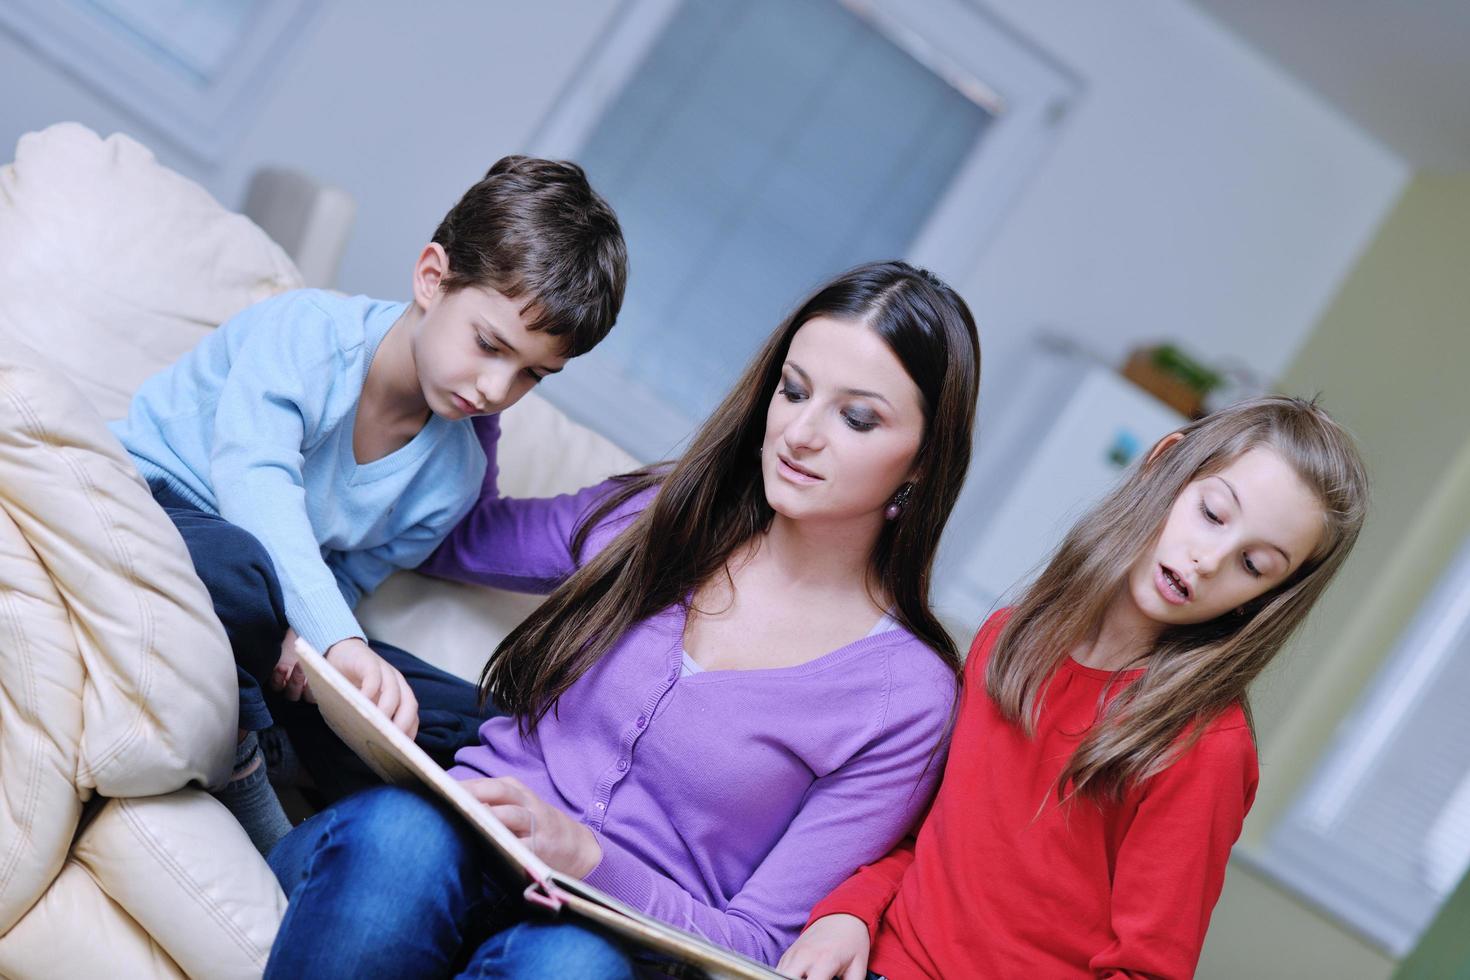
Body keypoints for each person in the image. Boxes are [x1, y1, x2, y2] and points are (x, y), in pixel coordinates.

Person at [263, 260, 982, 978]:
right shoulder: (664, 515)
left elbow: (762, 945)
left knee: (572, 966)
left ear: (923, 461)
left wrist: (590, 861)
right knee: (402, 837)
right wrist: (467, 378)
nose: (800, 433)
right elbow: (450, 530)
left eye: (856, 417)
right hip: (430, 860)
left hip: (606, 950)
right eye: (792, 392)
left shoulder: (906, 696)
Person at [108, 155, 627, 853]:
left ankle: (265, 725)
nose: (498, 388)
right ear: (431, 278)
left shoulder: (455, 471)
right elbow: (254, 489)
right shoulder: (309, 334)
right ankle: (247, 770)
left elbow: (348, 569)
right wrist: (330, 636)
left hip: (272, 617)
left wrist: (320, 649)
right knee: (240, 570)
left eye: (532, 374)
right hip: (157, 511)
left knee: (472, 723)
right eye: (488, 344)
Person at [779, 395, 1370, 979]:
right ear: (1164, 463)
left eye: (1254, 565)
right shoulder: (1008, 639)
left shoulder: (1204, 747)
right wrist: (849, 914)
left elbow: (1146, 970)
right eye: (1213, 514)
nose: (1211, 559)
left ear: (1266, 599)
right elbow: (912, 830)